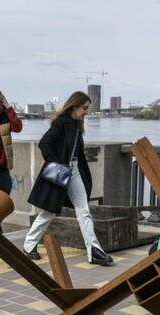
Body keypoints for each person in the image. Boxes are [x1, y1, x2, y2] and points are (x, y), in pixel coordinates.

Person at [22, 91, 114, 266]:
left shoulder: (77, 124)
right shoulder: (62, 122)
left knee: (84, 210)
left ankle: (94, 251)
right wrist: (57, 164)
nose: (86, 111)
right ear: (75, 105)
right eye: (85, 108)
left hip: (74, 171)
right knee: (49, 211)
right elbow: (44, 143)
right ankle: (29, 245)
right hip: (60, 172)